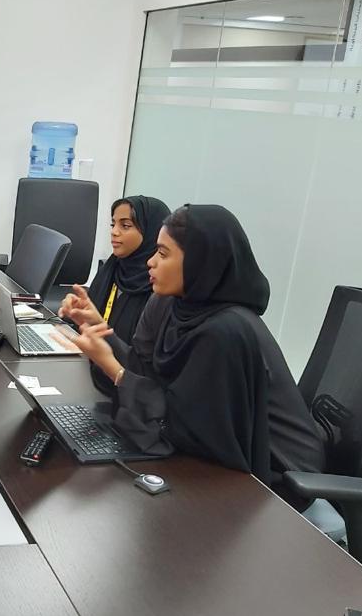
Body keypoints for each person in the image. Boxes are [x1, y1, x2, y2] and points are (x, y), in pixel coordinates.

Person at [65, 204, 324, 506]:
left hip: (274, 479)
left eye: (163, 254)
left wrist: (114, 368)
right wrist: (99, 329)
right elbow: (146, 373)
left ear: (200, 263)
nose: (150, 261)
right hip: (211, 455)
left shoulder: (226, 332)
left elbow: (190, 429)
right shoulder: (174, 304)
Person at [58, 195, 169, 344]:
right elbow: (90, 323)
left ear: (151, 232)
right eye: (113, 224)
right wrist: (76, 312)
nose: (114, 232)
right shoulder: (113, 267)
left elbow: (138, 355)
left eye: (125, 226)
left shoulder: (160, 286)